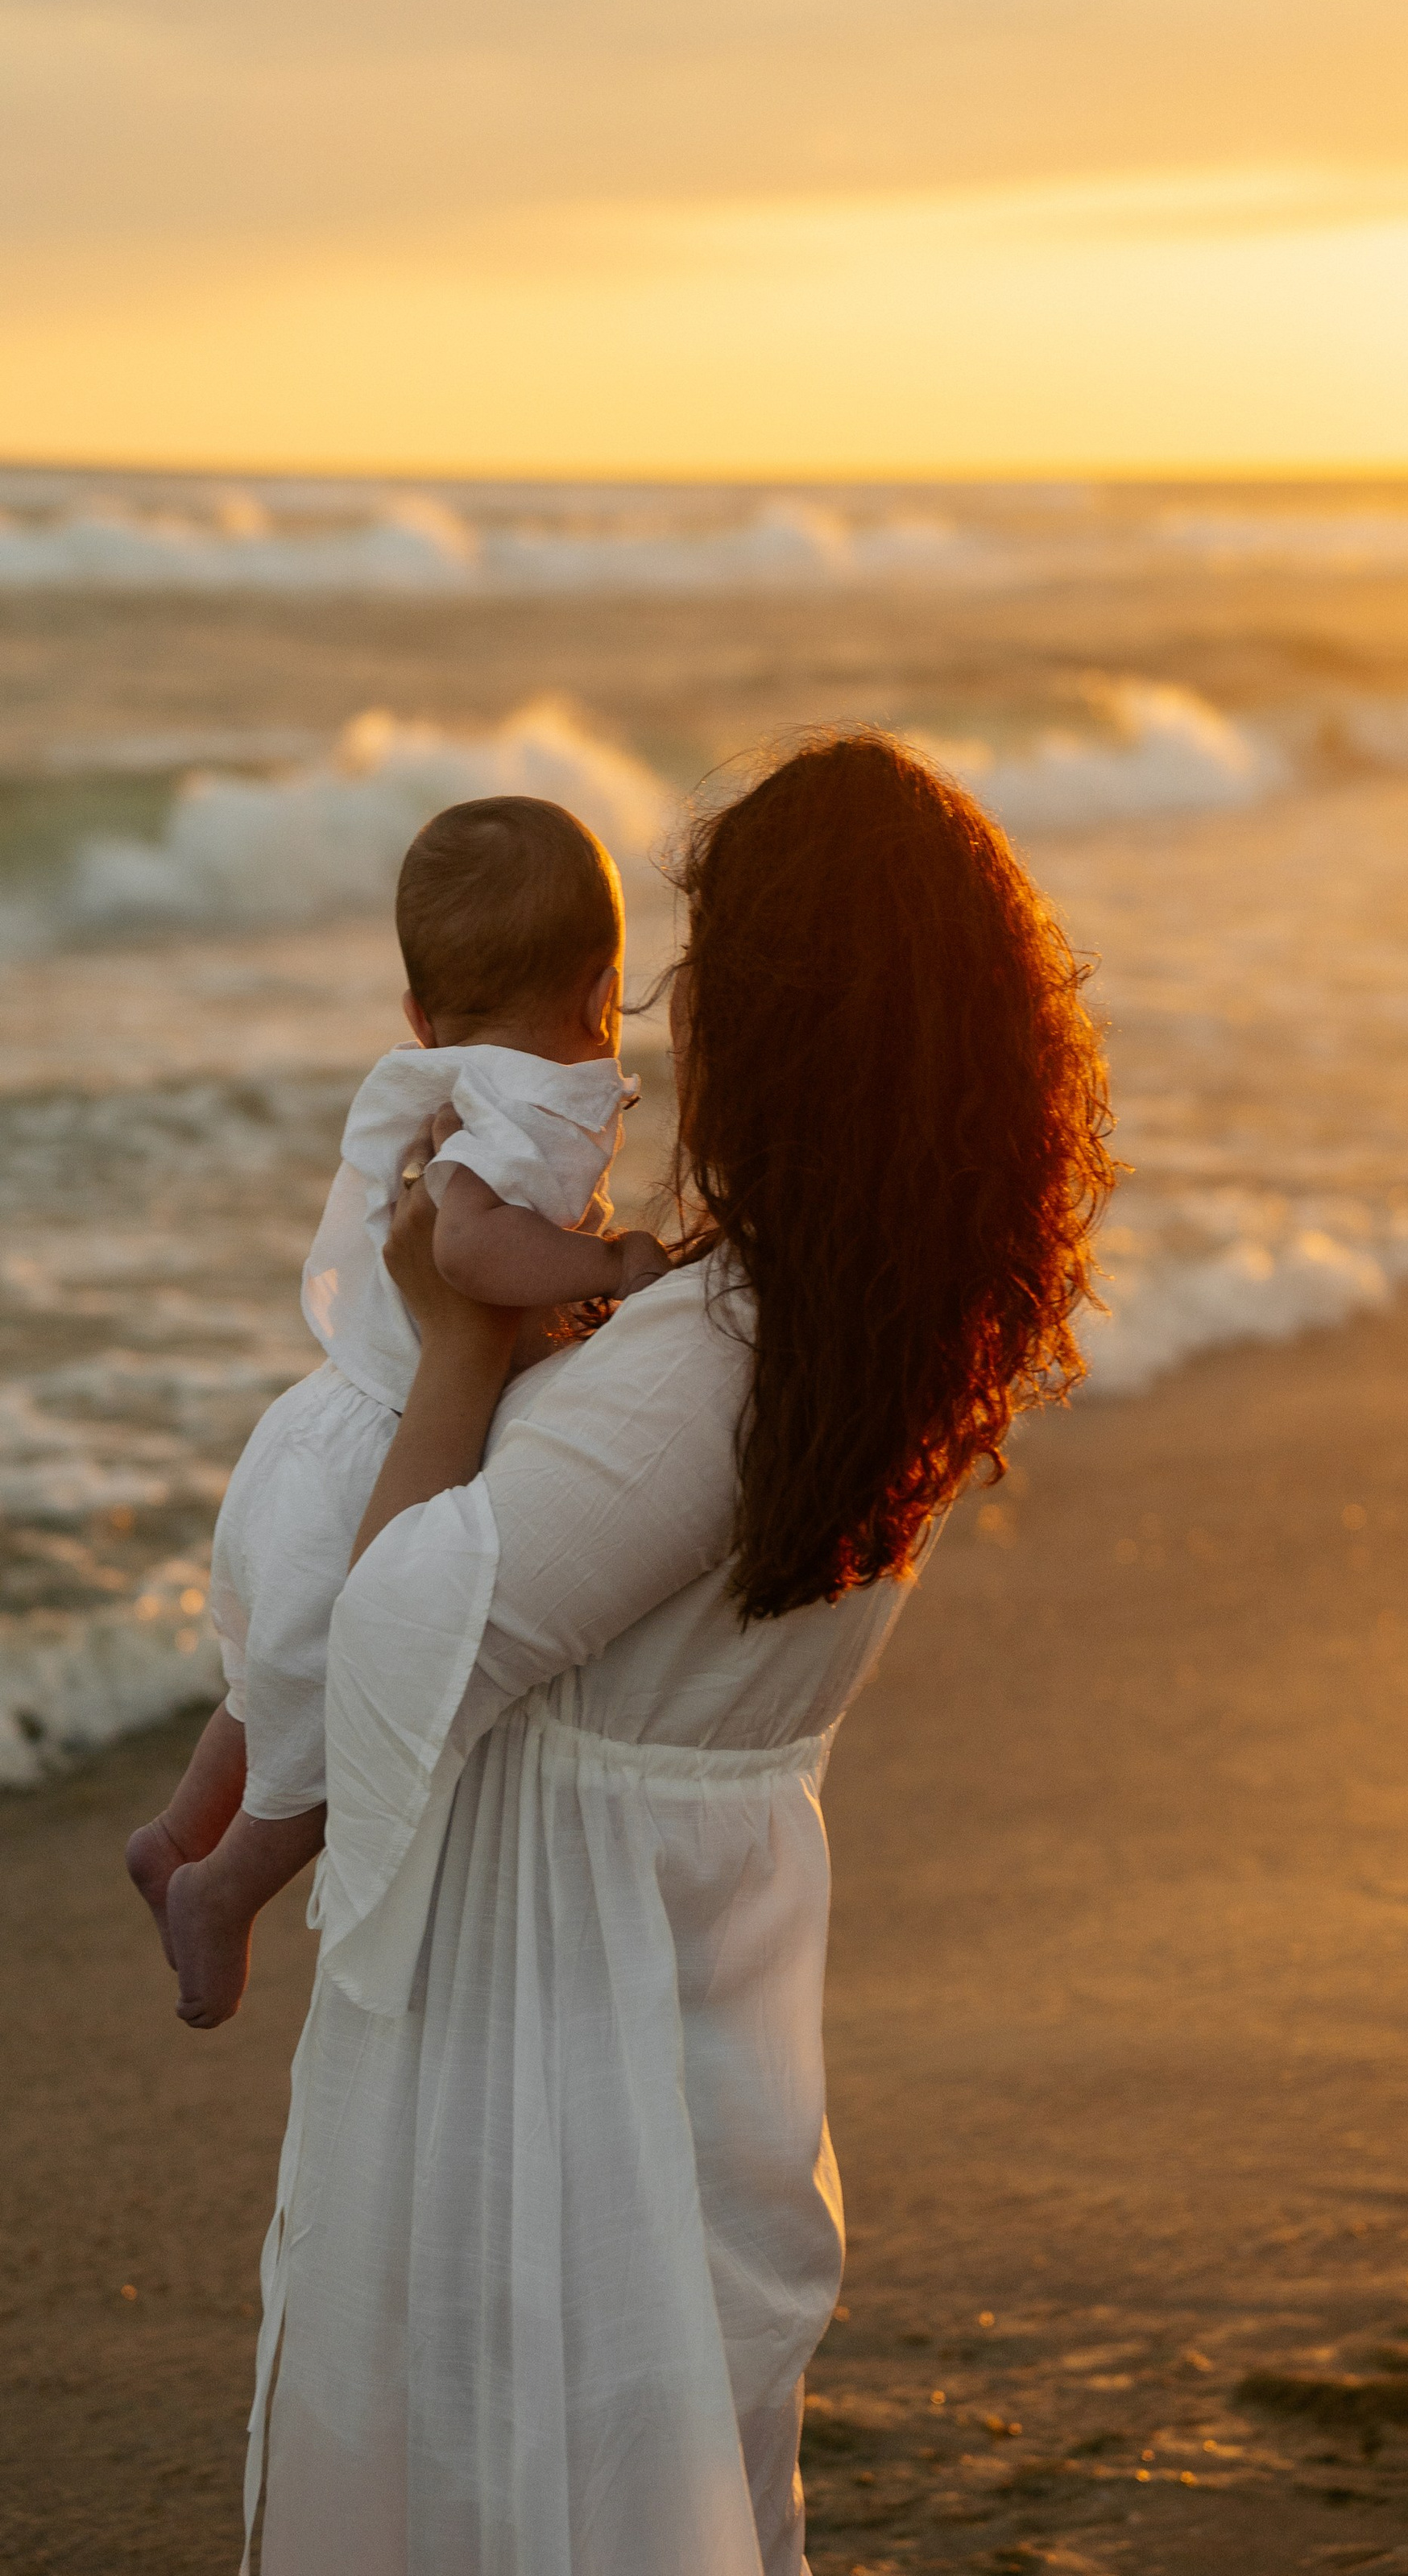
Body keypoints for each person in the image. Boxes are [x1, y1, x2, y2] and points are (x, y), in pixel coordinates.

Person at [241, 730, 1113, 2576]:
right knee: (672, 2478)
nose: (665, 1016)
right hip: (680, 1984)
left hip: (558, 2018)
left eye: (701, 970)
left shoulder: (716, 1350)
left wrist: (449, 1341)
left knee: (522, 2486)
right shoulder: (880, 1316)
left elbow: (397, 1647)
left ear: (787, 1019)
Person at [126, 794, 672, 2029]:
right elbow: (470, 1248)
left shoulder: (451, 1076)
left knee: (271, 1685)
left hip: (317, 1433)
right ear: (601, 993)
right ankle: (225, 1889)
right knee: (340, 1717)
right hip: (376, 1454)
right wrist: (609, 1266)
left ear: (419, 1016)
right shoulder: (530, 1103)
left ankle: (173, 1836)